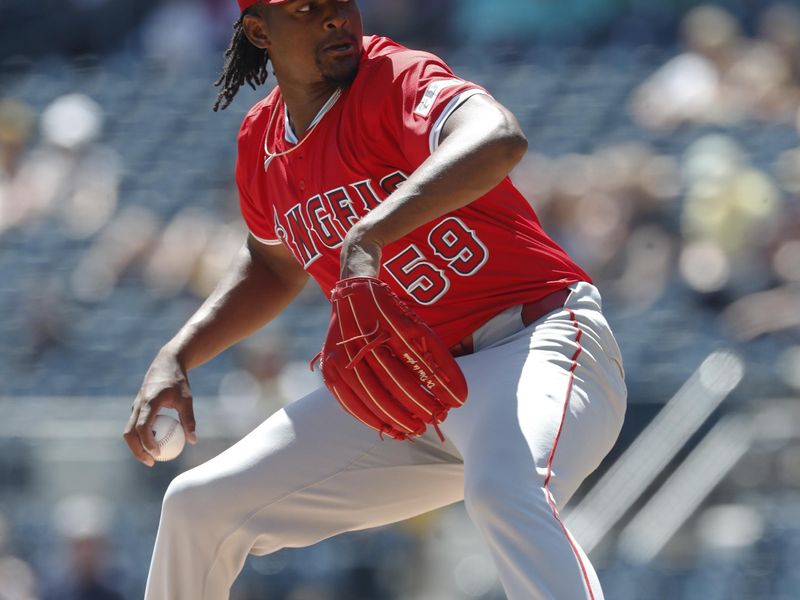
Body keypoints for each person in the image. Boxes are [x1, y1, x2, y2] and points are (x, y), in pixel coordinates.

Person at [123, 1, 627, 598]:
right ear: (260, 31)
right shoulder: (262, 140)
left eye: (342, 2)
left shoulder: (396, 78)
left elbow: (498, 137)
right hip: (407, 392)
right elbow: (271, 262)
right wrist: (178, 353)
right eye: (308, 8)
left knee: (504, 491)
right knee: (198, 505)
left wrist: (370, 232)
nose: (336, 18)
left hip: (534, 345)